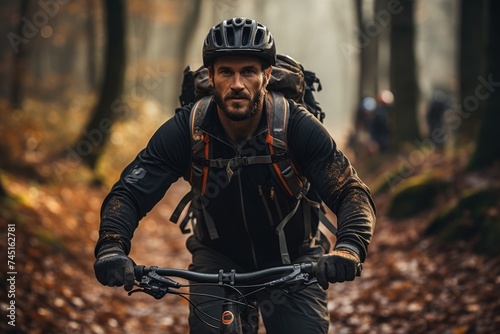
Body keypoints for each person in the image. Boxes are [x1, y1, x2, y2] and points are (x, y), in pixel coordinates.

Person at [94, 17, 376, 334]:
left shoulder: (295, 126)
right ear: (211, 77)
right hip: (217, 261)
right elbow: (129, 192)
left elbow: (351, 192)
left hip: (294, 260)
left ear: (266, 76)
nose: (237, 84)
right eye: (226, 72)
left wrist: (348, 247)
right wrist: (112, 246)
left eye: (248, 72)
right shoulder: (189, 129)